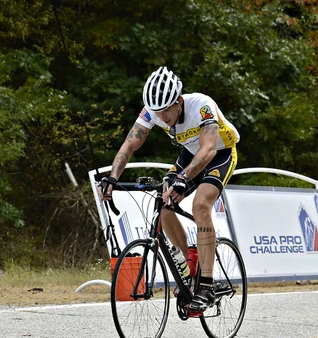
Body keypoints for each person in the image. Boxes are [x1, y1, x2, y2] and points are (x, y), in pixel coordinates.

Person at [100, 66, 239, 311]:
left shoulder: (202, 106)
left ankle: (206, 284)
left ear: (178, 102)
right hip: (190, 154)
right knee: (165, 203)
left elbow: (208, 150)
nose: (162, 117)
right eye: (157, 112)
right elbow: (128, 146)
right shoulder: (151, 112)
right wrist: (112, 177)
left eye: (166, 111)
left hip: (220, 153)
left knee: (201, 204)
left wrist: (183, 178)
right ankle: (189, 266)